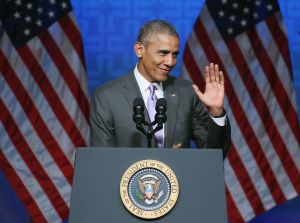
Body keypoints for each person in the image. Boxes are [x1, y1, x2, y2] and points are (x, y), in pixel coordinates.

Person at [90, 19, 231, 156]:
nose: (170, 62)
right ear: (139, 50)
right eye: (163, 53)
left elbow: (214, 154)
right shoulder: (107, 97)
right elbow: (103, 160)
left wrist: (217, 113)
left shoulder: (186, 92)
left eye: (174, 55)